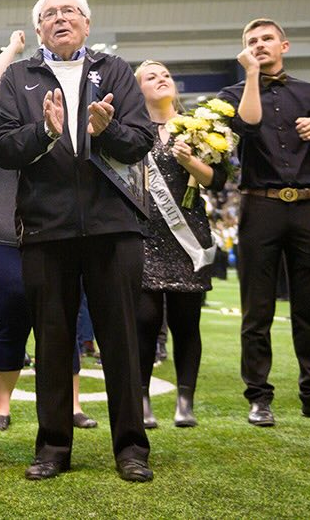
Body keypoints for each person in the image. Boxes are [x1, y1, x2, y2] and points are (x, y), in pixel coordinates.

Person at [0, 0, 154, 483]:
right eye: (49, 15)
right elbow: (0, 148)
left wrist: (104, 131)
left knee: (120, 340)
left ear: (87, 22)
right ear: (37, 30)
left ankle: (131, 448)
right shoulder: (18, 78)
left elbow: (141, 141)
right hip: (46, 228)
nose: (60, 19)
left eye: (69, 12)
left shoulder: (116, 70)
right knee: (54, 341)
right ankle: (53, 447)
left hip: (113, 227)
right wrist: (42, 132)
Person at [218, 18, 310, 427]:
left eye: (266, 40)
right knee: (257, 309)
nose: (260, 45)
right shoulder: (232, 93)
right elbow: (246, 125)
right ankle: (259, 398)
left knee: (309, 309)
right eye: (251, 41)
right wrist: (250, 75)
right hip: (259, 205)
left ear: (285, 45)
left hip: (308, 206)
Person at [0, 30, 97, 433]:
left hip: (57, 228)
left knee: (64, 320)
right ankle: (1, 407)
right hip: (2, 231)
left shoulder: (69, 117)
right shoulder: (1, 125)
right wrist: (12, 47)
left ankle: (75, 404)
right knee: (9, 321)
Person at [133, 60, 229, 428]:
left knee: (187, 323)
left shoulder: (201, 128)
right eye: (151, 76)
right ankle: (141, 399)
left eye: (166, 75)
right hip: (144, 236)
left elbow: (217, 180)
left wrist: (191, 162)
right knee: (144, 320)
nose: (161, 80)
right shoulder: (132, 130)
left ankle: (185, 400)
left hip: (188, 237)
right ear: (139, 88)